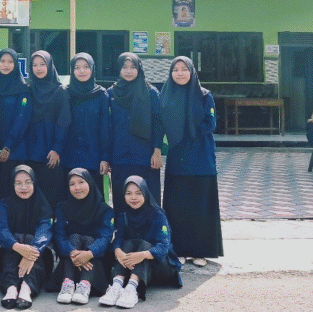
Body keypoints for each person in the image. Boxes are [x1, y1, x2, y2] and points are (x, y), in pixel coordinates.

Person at [160, 56, 222, 266]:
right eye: (175, 69)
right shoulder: (166, 96)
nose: (179, 73)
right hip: (178, 158)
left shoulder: (204, 95)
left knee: (200, 205)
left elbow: (210, 123)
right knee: (177, 205)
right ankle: (179, 249)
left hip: (200, 157)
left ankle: (199, 252)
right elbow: (160, 123)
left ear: (192, 72)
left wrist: (186, 128)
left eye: (184, 69)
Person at [99, 176, 181, 309]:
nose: (133, 198)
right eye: (129, 193)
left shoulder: (157, 214)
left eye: (138, 193)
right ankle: (117, 286)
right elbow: (118, 238)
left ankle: (131, 289)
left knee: (143, 245)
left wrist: (143, 255)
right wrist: (118, 251)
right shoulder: (124, 214)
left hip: (158, 266)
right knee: (126, 244)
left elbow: (164, 246)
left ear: (145, 193)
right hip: (133, 266)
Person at [106, 53, 163, 211]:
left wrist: (157, 150)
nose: (129, 71)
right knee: (121, 199)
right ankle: (122, 227)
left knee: (148, 199)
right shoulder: (111, 93)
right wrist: (106, 156)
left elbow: (158, 123)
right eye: (124, 67)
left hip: (145, 156)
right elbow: (107, 127)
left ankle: (151, 227)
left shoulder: (151, 92)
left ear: (139, 69)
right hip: (120, 156)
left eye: (132, 67)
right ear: (119, 69)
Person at [0, 165, 53, 310]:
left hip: (37, 255)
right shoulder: (5, 203)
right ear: (12, 185)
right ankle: (11, 287)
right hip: (11, 252)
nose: (23, 187)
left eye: (28, 182)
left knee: (30, 239)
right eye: (18, 183)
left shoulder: (42, 203)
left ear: (34, 183)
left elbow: (45, 230)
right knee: (17, 238)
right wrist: (17, 246)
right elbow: (1, 230)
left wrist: (31, 252)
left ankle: (27, 287)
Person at [52, 169, 113, 305]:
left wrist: (89, 253)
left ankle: (85, 285)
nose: (77, 187)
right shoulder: (62, 208)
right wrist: (72, 252)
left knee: (90, 239)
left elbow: (105, 237)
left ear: (90, 183)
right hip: (69, 260)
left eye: (81, 182)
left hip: (95, 262)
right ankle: (67, 284)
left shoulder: (104, 210)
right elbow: (59, 235)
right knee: (74, 237)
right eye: (72, 184)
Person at [0, 49, 30, 211]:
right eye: (3, 61)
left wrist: (8, 146)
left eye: (10, 62)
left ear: (16, 65)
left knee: (11, 193)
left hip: (14, 152)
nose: (6, 65)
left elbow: (21, 120)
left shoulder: (22, 89)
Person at [25, 51, 70, 207]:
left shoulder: (60, 91)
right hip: (31, 150)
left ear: (50, 66)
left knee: (53, 195)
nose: (38, 68)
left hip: (52, 151)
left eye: (42, 64)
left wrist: (57, 148)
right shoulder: (29, 90)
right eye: (35, 65)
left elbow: (64, 121)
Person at [63, 53, 110, 182]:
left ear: (92, 69)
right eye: (77, 68)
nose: (81, 71)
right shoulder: (65, 92)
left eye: (86, 67)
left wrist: (105, 158)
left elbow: (105, 128)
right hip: (68, 158)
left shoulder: (101, 94)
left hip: (93, 157)